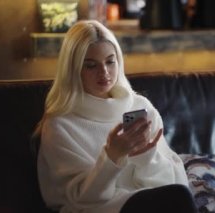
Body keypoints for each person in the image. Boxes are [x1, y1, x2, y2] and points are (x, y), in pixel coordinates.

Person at [34, 20, 197, 213]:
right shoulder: (60, 125)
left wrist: (145, 157)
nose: (104, 73)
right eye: (91, 65)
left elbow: (170, 183)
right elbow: (83, 200)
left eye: (110, 62)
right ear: (73, 69)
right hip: (99, 209)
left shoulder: (140, 107)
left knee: (177, 196)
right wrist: (112, 157)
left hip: (149, 203)